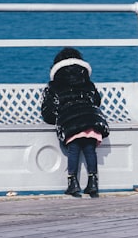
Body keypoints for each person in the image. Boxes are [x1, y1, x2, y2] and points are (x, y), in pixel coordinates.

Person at [41, 47, 110, 198]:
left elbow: (48, 111)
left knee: (74, 151)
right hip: (91, 120)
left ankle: (73, 183)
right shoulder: (88, 83)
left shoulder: (54, 86)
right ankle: (93, 183)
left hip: (70, 123)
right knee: (90, 150)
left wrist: (58, 118)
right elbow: (96, 101)